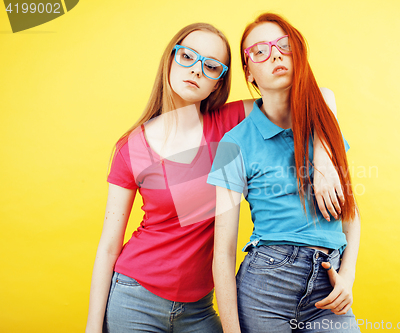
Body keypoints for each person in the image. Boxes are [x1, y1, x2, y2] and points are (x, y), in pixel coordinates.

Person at [86, 22, 344, 333]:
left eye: (210, 66)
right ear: (170, 59)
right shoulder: (131, 148)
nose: (196, 70)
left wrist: (325, 158)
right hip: (135, 298)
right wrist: (92, 327)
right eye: (187, 57)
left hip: (199, 309)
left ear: (217, 83)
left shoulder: (228, 124)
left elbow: (318, 96)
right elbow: (109, 246)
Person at [208, 13, 361, 333]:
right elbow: (222, 252)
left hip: (329, 285)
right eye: (260, 51)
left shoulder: (326, 129)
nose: (275, 54)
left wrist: (347, 276)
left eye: (284, 45)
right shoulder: (233, 143)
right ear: (248, 72)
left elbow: (351, 216)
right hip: (265, 285)